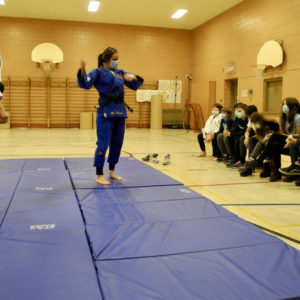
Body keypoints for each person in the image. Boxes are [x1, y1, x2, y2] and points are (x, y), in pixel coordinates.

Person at [77, 47, 144, 185]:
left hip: (120, 112)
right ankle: (99, 174)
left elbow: (134, 82)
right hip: (105, 112)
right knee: (103, 144)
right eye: (114, 59)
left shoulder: (119, 73)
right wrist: (82, 71)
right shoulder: (98, 72)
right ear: (106, 60)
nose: (117, 62)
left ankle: (112, 172)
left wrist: (133, 77)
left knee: (117, 144)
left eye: (117, 59)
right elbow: (86, 83)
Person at [247, 97, 300, 181]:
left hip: (294, 142)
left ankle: (259, 160)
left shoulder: (298, 117)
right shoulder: (282, 117)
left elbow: (297, 135)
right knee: (275, 143)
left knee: (274, 136)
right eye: (283, 104)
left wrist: (276, 135)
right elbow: (281, 133)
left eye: (286, 104)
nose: (283, 106)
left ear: (293, 106)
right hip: (286, 142)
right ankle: (277, 172)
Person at [240, 112, 279, 177]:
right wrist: (261, 138)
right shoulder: (259, 126)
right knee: (254, 140)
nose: (255, 124)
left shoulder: (273, 124)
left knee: (266, 143)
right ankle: (250, 165)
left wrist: (270, 135)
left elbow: (279, 134)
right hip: (265, 140)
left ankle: (266, 169)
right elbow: (260, 137)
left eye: (256, 122)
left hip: (273, 140)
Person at [223, 103, 248, 168]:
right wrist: (228, 132)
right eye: (237, 111)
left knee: (239, 138)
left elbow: (245, 131)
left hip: (246, 135)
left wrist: (231, 133)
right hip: (239, 134)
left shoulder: (248, 119)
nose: (237, 113)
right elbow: (234, 127)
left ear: (245, 110)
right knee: (228, 137)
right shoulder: (238, 118)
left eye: (239, 111)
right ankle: (233, 158)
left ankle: (241, 160)